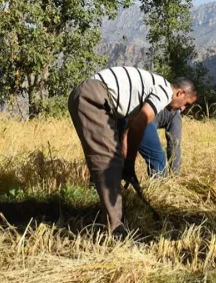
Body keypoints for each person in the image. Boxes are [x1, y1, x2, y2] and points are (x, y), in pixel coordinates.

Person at [69, 66, 197, 238]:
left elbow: (127, 131)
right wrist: (128, 162)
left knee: (111, 160)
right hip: (94, 97)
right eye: (186, 104)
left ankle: (104, 217)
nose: (183, 109)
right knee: (108, 162)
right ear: (180, 93)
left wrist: (125, 163)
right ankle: (116, 231)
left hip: (90, 95)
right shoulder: (164, 91)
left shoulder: (151, 88)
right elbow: (139, 126)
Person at [118, 107, 184, 178]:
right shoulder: (175, 114)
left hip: (120, 114)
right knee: (159, 161)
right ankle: (159, 186)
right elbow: (174, 146)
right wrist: (175, 175)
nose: (183, 107)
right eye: (186, 104)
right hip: (138, 121)